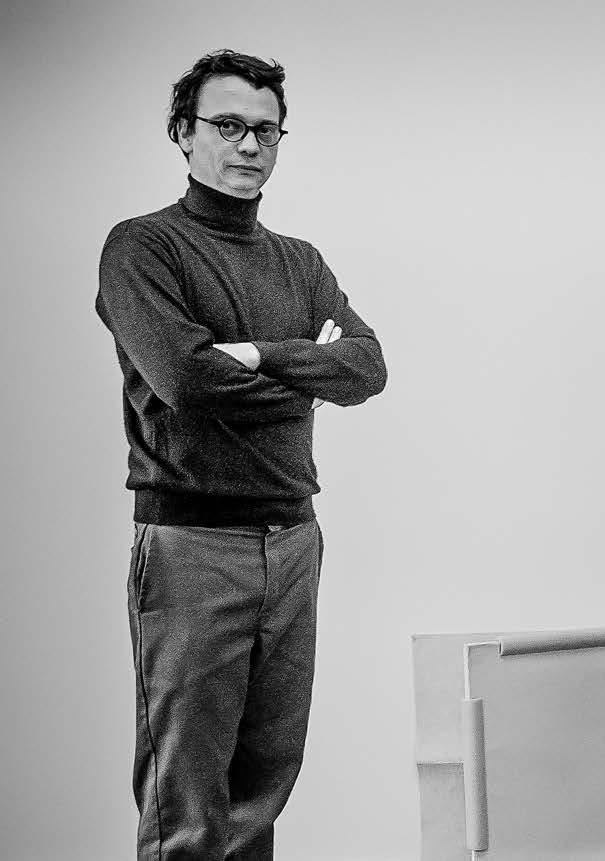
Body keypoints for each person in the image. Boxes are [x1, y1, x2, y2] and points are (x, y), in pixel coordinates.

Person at [95, 49, 387, 860]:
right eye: (227, 125)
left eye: (266, 129)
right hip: (191, 545)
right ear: (183, 133)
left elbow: (367, 367)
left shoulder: (302, 261)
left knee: (263, 787)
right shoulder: (143, 248)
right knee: (188, 801)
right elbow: (186, 379)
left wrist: (255, 356)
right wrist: (305, 372)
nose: (249, 144)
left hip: (293, 540)